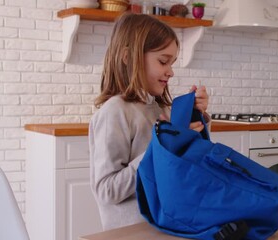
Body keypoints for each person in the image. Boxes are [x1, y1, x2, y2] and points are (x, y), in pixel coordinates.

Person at [89, 12, 210, 230]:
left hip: (169, 224)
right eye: (163, 61)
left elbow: (186, 167)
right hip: (134, 231)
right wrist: (162, 147)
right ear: (128, 57)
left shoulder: (160, 107)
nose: (171, 72)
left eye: (171, 63)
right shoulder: (114, 112)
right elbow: (108, 191)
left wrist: (196, 118)